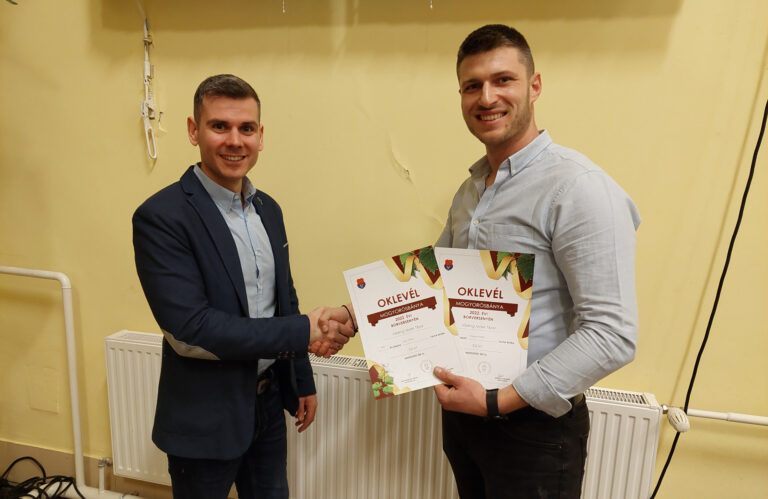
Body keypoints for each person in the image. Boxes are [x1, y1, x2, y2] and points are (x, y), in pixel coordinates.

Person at [427, 25, 641, 498]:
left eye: (503, 80)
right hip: (466, 419)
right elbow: (434, 282)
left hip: (535, 432)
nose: (487, 97)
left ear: (535, 86)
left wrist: (497, 402)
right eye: (472, 85)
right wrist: (352, 316)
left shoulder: (578, 187)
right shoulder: (470, 191)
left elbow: (612, 334)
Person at [132, 74, 354, 499]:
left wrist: (301, 379)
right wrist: (306, 330)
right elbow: (191, 330)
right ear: (194, 130)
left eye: (246, 128)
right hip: (205, 417)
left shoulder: (269, 209)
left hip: (267, 404)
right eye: (220, 126)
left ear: (260, 136)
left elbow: (284, 299)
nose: (235, 140)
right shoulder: (162, 217)